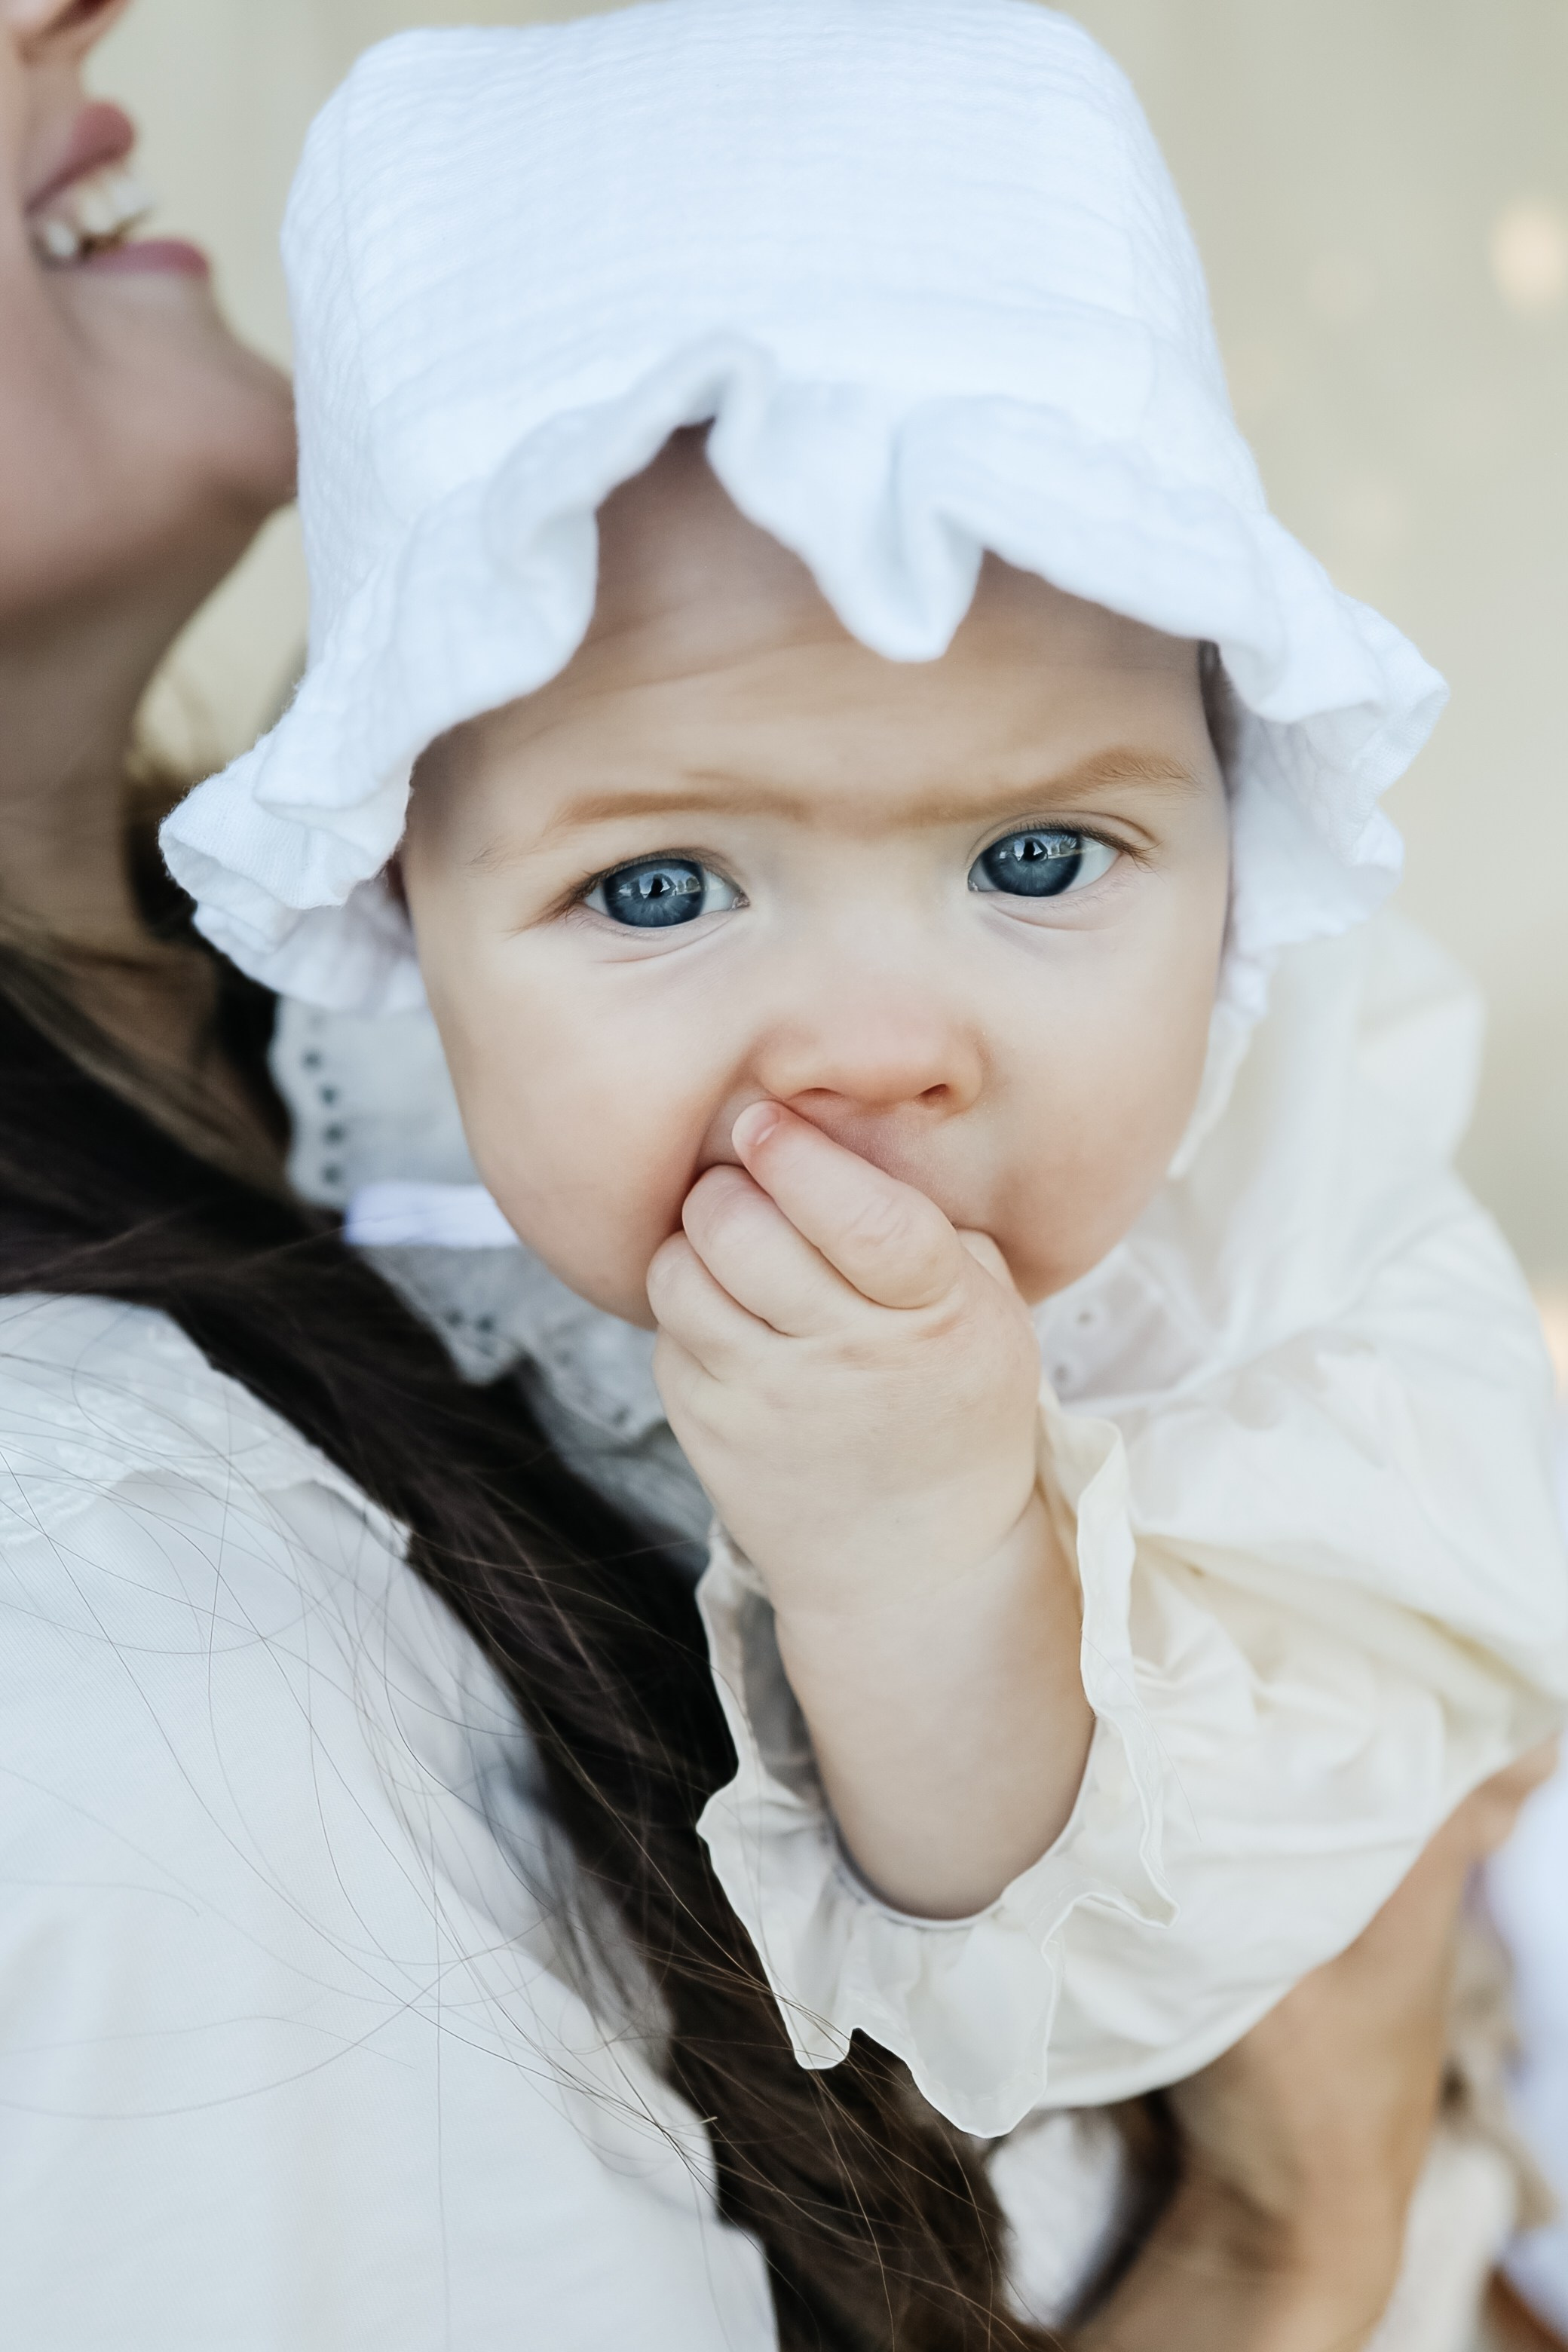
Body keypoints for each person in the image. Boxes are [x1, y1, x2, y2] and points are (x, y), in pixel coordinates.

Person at [0, 0, 1551, 2344]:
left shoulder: (1257, 1245)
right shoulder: (105, 1598)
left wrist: (944, 1559)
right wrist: (1290, 2239)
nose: (875, 1048)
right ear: (406, 893)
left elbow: (1140, 1931)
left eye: (1038, 856)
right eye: (660, 890)